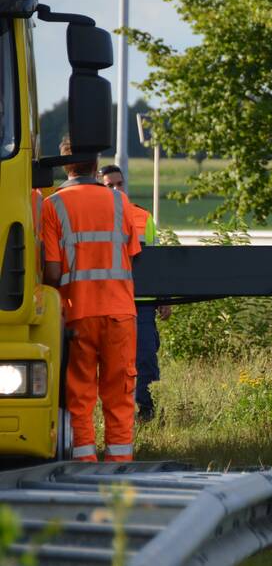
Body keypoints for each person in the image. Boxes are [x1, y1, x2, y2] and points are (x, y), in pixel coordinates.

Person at [41, 139, 142, 462]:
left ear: (64, 165)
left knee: (80, 393)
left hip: (78, 314)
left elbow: (52, 271)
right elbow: (131, 254)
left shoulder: (52, 205)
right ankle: (119, 464)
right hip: (120, 313)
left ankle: (84, 463)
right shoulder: (119, 201)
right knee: (120, 394)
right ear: (96, 163)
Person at [99, 164, 168, 422]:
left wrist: (164, 298)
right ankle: (116, 412)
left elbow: (156, 263)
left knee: (146, 358)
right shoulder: (94, 218)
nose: (117, 189)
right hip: (108, 302)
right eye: (110, 185)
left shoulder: (143, 217)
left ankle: (146, 410)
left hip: (142, 302)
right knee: (113, 361)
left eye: (119, 184)